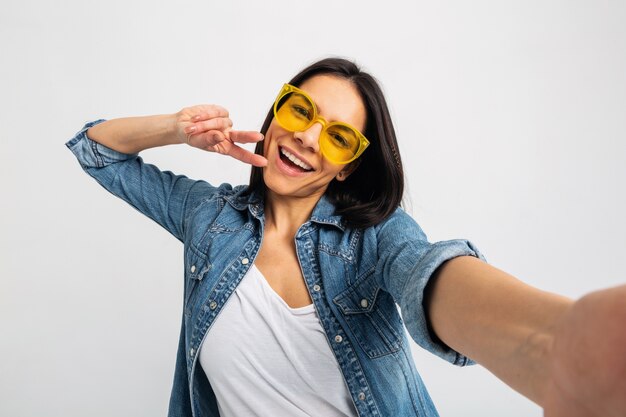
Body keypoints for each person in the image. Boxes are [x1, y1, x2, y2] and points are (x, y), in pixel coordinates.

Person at [66, 58, 625, 417]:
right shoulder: (209, 218)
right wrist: (176, 128)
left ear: (348, 169)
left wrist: (556, 343)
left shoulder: (375, 239)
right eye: (300, 109)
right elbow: (95, 150)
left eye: (337, 138)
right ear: (277, 111)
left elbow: (429, 273)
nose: (308, 138)